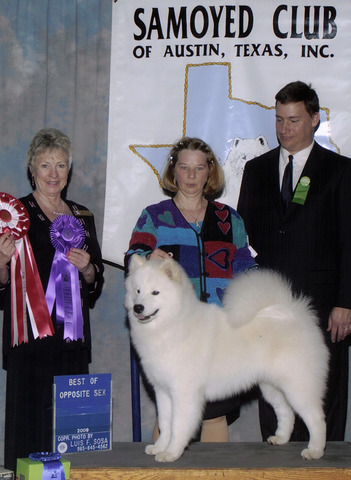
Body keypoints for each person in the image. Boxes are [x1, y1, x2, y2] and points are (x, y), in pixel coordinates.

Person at [237, 81, 351, 442]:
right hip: (269, 311)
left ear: (315, 119)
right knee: (274, 398)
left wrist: (345, 303)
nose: (285, 129)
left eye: (294, 120)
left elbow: (350, 242)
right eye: (279, 120)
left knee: (323, 401)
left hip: (323, 309)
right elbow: (243, 244)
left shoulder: (340, 171)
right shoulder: (255, 171)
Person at [125, 136, 257, 442]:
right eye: (184, 168)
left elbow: (245, 266)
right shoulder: (155, 216)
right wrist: (145, 256)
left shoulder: (229, 218)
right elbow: (133, 257)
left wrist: (266, 299)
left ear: (209, 172)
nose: (191, 176)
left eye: (199, 168)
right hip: (170, 335)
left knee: (215, 413)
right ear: (174, 172)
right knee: (170, 408)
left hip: (219, 331)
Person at [0, 128, 104, 471]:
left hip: (71, 343)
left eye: (60, 165)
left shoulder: (82, 216)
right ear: (32, 168)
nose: (53, 174)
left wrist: (89, 268)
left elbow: (95, 283)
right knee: (28, 435)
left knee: (72, 437)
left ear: (69, 170)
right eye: (46, 166)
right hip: (29, 343)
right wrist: (1, 261)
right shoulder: (13, 217)